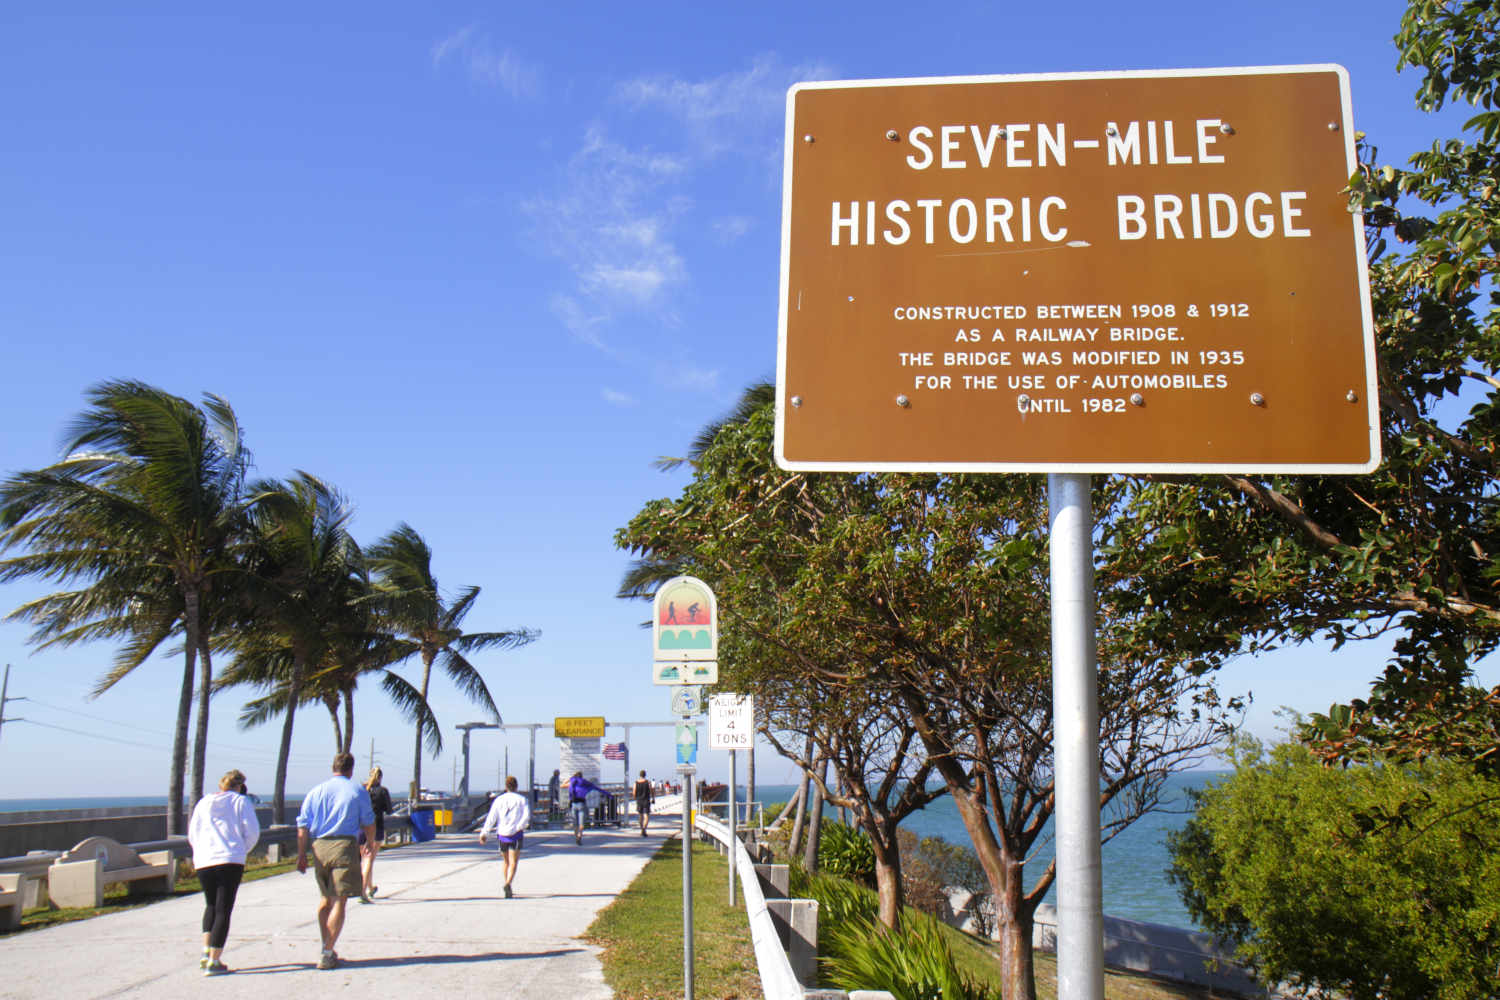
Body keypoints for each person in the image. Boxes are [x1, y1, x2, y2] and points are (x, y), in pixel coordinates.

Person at [296, 752, 376, 971]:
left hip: (319, 846)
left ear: (333, 767)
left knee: (325, 900)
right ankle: (327, 952)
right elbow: (368, 820)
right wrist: (370, 841)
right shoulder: (357, 790)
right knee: (340, 900)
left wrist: (302, 854)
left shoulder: (316, 791)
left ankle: (326, 946)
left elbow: (302, 826)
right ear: (351, 769)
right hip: (343, 846)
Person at [187, 769, 260, 976]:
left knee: (210, 905)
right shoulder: (240, 801)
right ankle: (214, 961)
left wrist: (201, 851)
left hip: (204, 860)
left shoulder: (203, 802)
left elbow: (193, 833)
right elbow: (252, 832)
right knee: (223, 909)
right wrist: (240, 849)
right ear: (239, 786)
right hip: (229, 859)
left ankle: (205, 951)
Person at [478, 775, 532, 898]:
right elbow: (526, 816)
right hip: (515, 834)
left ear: (506, 787)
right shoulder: (522, 799)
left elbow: (491, 818)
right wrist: (520, 826)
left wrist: (484, 833)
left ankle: (507, 884)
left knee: (506, 862)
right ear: (516, 786)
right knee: (514, 862)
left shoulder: (499, 800)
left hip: (502, 834)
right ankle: (508, 883)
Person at [359, 767, 393, 902]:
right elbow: (389, 810)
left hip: (361, 828)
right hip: (376, 827)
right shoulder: (383, 791)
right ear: (380, 777)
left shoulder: (363, 790)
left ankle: (370, 887)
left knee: (365, 860)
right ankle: (362, 892)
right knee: (369, 860)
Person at [566, 771, 604, 845]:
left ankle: (576, 836)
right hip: (582, 804)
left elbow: (562, 785)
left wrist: (570, 779)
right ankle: (580, 835)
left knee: (575, 822)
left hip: (574, 804)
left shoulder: (571, 785)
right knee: (581, 823)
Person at [632, 769, 654, 837]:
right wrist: (653, 798)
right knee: (646, 816)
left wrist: (635, 798)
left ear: (640, 775)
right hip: (646, 800)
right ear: (645, 775)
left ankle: (642, 829)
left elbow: (634, 792)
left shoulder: (636, 782)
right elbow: (651, 791)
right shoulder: (648, 782)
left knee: (640, 815)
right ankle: (644, 829)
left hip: (639, 800)